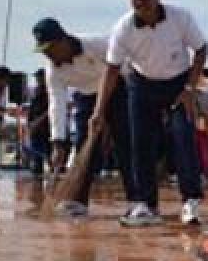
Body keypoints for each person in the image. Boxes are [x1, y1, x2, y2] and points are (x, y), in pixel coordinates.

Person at [90, 0, 208, 226]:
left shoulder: (181, 18)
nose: (140, 2)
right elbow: (111, 72)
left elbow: (201, 50)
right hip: (141, 84)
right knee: (140, 143)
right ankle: (144, 204)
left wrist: (189, 89)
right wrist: (98, 111)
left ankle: (190, 201)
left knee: (182, 138)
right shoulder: (123, 28)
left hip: (178, 84)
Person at [33, 17, 135, 216]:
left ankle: (136, 199)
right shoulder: (52, 69)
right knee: (84, 146)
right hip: (86, 96)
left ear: (63, 41)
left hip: (118, 90)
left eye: (49, 49)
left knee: (125, 144)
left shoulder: (98, 43)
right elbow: (57, 103)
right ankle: (77, 201)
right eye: (43, 51)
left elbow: (125, 68)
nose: (47, 55)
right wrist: (58, 142)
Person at [24, 68, 51, 175]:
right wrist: (29, 125)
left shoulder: (50, 92)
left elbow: (51, 110)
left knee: (49, 156)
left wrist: (38, 121)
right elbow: (31, 111)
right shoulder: (35, 93)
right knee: (36, 161)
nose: (38, 79)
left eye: (40, 77)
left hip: (46, 130)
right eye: (37, 77)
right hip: (35, 131)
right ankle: (36, 182)